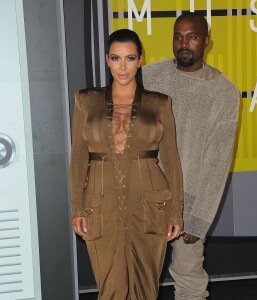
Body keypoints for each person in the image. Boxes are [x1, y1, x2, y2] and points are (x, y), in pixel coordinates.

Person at [69, 28, 183, 299]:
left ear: (140, 60)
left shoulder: (160, 103)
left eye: (130, 58)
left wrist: (176, 211)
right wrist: (77, 207)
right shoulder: (85, 100)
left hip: (150, 204)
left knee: (146, 285)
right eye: (116, 58)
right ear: (107, 59)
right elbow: (77, 158)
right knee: (110, 286)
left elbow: (171, 159)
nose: (123, 67)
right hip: (100, 204)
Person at [143, 12, 240, 299]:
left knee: (190, 283)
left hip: (190, 202)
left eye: (192, 36)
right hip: (146, 197)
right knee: (137, 278)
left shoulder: (223, 92)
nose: (184, 43)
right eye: (178, 36)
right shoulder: (149, 76)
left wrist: (200, 219)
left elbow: (217, 161)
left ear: (207, 41)